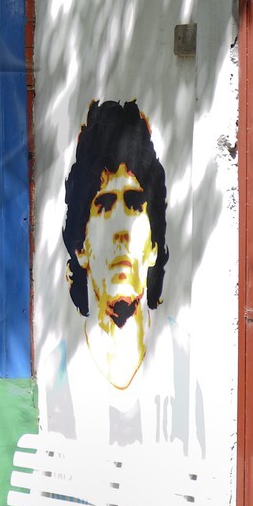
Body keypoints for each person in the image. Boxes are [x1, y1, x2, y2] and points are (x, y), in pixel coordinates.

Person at [61, 98, 169, 393]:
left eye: (134, 204)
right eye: (105, 206)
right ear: (80, 246)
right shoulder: (58, 374)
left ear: (154, 247)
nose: (122, 229)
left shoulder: (184, 364)